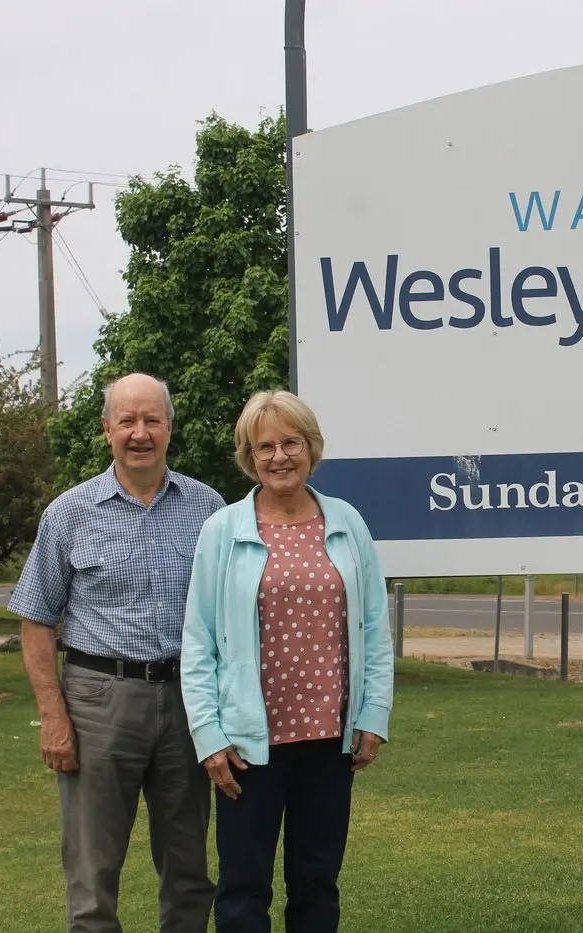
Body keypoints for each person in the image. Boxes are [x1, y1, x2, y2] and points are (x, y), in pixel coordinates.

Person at [9, 372, 225, 933]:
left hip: (188, 702)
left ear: (169, 429)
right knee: (92, 868)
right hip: (97, 701)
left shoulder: (210, 510)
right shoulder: (69, 513)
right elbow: (36, 619)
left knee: (188, 868)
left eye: (151, 419)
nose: (140, 432)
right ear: (107, 429)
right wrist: (54, 718)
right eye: (127, 420)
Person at [180, 389, 393, 933]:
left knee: (317, 883)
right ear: (249, 458)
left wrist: (373, 715)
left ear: (312, 448)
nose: (279, 457)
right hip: (248, 746)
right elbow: (199, 641)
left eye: (291, 443)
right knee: (243, 890)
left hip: (329, 740)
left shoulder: (347, 522)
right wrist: (209, 736)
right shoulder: (222, 531)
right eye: (265, 446)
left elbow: (374, 629)